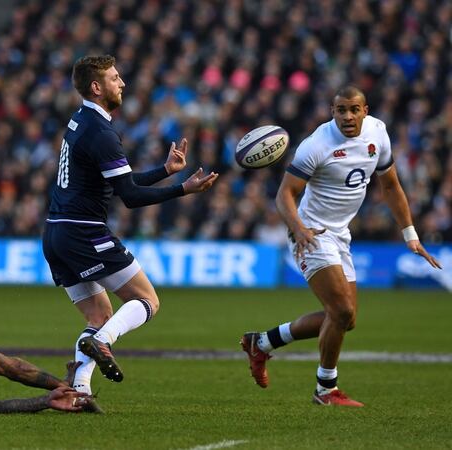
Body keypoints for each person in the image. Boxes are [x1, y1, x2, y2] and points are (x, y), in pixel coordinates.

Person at [240, 86, 442, 407]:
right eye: (340, 110)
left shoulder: (378, 133)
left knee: (346, 320)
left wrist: (410, 235)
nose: (347, 116)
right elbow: (284, 195)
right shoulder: (317, 145)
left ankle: (262, 343)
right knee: (341, 310)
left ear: (365, 110)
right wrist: (298, 228)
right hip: (312, 232)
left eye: (353, 109)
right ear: (332, 111)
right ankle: (325, 390)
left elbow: (390, 185)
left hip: (340, 235)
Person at [42, 55, 219, 398]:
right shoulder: (101, 132)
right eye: (114, 78)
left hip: (56, 234)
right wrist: (184, 188)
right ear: (97, 87)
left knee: (99, 314)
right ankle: (102, 341)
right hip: (84, 232)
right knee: (147, 299)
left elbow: (120, 182)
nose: (122, 83)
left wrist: (166, 170)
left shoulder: (81, 121)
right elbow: (131, 197)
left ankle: (79, 388)